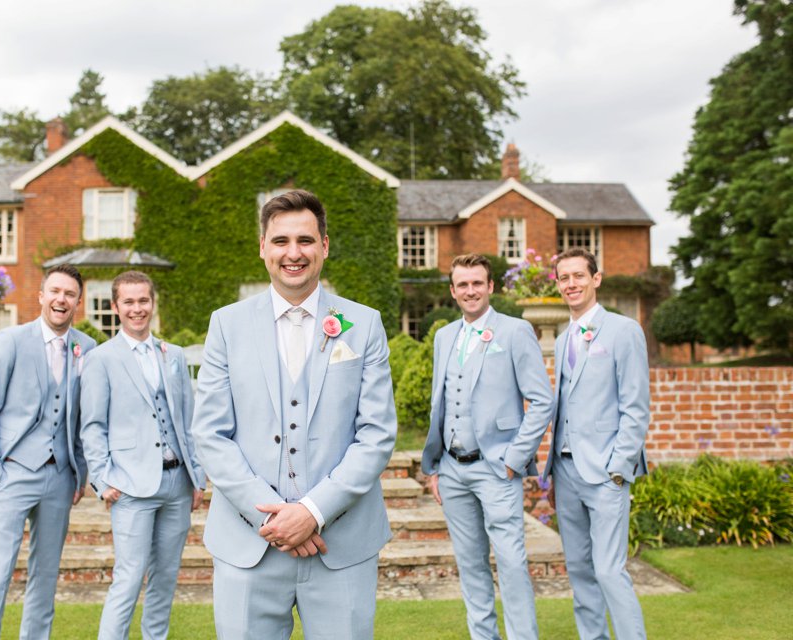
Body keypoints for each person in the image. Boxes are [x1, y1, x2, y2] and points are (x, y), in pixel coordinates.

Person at [192, 189, 397, 639]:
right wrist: (272, 518)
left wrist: (312, 511)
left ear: (325, 246)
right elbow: (209, 433)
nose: (293, 253)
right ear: (262, 247)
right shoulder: (226, 324)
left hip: (342, 545)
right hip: (249, 545)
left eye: (305, 240)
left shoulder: (363, 324)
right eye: (281, 241)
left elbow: (377, 434)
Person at [421, 253, 553, 640]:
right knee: (470, 563)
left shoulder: (515, 331)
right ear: (452, 291)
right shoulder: (444, 336)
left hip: (497, 468)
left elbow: (542, 400)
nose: (470, 290)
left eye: (477, 283)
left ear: (491, 286)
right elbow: (441, 404)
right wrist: (435, 467)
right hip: (452, 469)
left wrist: (515, 458)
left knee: (511, 562)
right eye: (462, 284)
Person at [0, 263, 96, 639]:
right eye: (55, 291)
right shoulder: (11, 341)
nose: (61, 299)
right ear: (41, 296)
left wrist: (80, 474)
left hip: (60, 479)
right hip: (12, 473)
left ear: (78, 302)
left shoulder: (86, 348)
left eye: (70, 294)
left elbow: (85, 420)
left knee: (45, 576)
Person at [79, 270, 205, 640]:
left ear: (153, 303)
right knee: (129, 578)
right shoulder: (101, 359)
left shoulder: (174, 355)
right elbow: (92, 426)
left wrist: (197, 478)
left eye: (143, 301)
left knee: (165, 578)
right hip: (130, 485)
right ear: (116, 307)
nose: (138, 309)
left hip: (177, 483)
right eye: (129, 302)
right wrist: (103, 480)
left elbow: (187, 420)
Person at [543, 248, 649, 640]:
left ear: (596, 279)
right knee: (581, 572)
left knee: (608, 570)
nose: (571, 284)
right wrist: (553, 473)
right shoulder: (561, 337)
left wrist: (618, 469)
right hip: (566, 473)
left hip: (606, 474)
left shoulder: (624, 331)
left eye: (578, 276)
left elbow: (635, 408)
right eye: (564, 278)